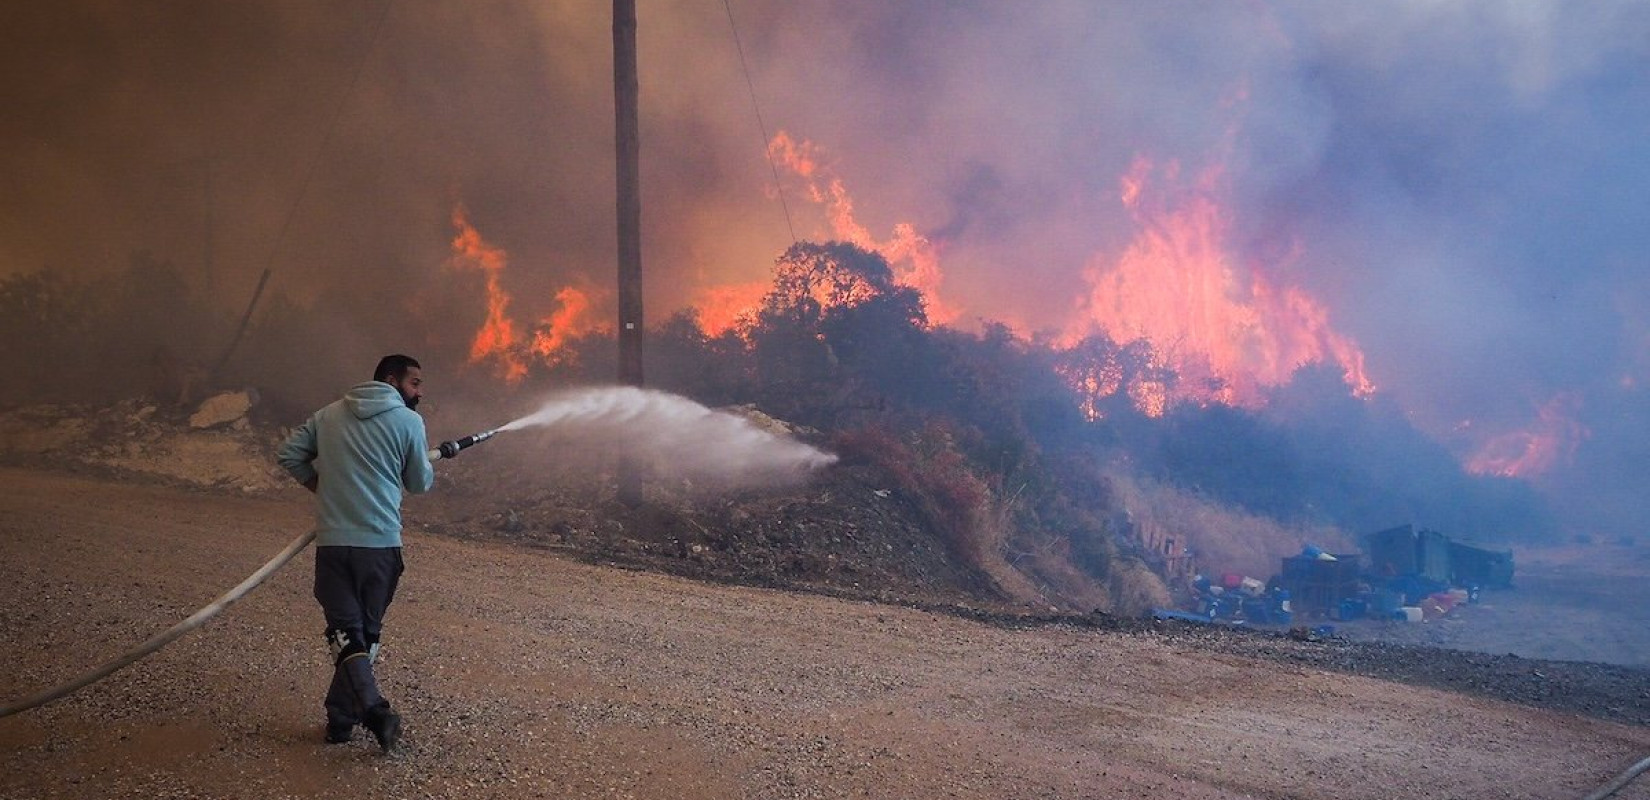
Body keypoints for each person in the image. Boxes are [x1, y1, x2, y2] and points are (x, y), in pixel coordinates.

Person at [277, 354, 434, 753]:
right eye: (415, 383)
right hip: (379, 547)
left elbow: (290, 455)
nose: (419, 392)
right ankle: (375, 711)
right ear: (392, 380)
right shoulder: (408, 422)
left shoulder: (328, 415)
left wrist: (323, 488)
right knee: (364, 633)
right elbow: (419, 483)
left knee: (347, 634)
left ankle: (341, 720)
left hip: (333, 545)